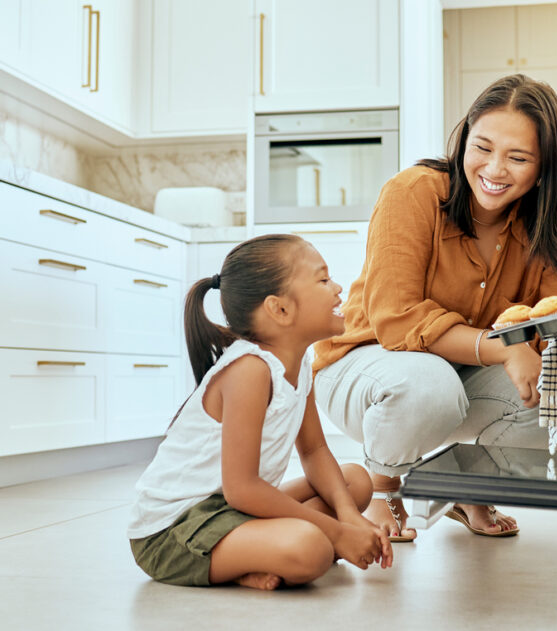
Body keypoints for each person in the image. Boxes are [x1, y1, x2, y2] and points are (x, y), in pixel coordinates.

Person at [313, 74, 557, 541]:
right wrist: (503, 348)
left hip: (460, 376)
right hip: (367, 368)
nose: (495, 169)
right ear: (463, 139)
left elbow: (556, 319)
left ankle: (470, 485)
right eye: (482, 147)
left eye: (517, 158)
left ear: (543, 168)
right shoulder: (414, 192)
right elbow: (397, 320)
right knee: (429, 386)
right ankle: (382, 488)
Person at [128, 234, 392, 589]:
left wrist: (348, 517)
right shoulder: (250, 371)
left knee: (355, 483)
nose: (338, 288)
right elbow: (242, 490)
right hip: (174, 530)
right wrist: (336, 532)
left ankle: (257, 553)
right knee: (311, 547)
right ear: (279, 309)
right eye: (323, 279)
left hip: (229, 510)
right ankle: (255, 558)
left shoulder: (300, 365)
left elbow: (313, 451)